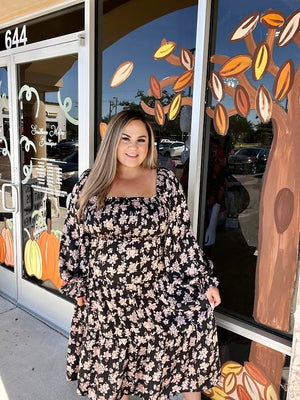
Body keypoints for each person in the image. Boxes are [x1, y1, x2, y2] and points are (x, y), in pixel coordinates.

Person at [59, 109, 221, 400]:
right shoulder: (90, 181)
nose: (133, 147)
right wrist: (76, 281)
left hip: (153, 296)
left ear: (150, 145)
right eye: (125, 139)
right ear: (112, 141)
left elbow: (180, 238)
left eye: (141, 140)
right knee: (115, 381)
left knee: (187, 339)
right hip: (106, 303)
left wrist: (204, 280)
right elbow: (74, 237)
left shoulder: (165, 183)